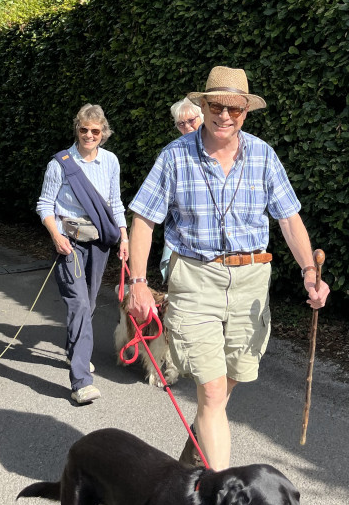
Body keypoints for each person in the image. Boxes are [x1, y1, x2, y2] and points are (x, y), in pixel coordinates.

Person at [127, 66, 330, 470]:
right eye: (217, 105)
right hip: (195, 279)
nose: (225, 115)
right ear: (203, 106)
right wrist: (138, 282)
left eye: (235, 109)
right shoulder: (174, 157)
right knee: (214, 391)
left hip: (251, 281)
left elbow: (289, 219)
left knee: (230, 380)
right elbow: (144, 220)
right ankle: (218, 496)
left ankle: (189, 465)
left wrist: (309, 270)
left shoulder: (263, 155)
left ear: (246, 113)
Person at [36, 104, 129, 405]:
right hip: (70, 243)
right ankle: (81, 380)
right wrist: (56, 235)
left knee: (87, 304)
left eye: (95, 131)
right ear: (76, 129)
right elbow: (44, 205)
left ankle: (73, 349)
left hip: (100, 242)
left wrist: (124, 237)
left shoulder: (111, 162)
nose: (89, 135)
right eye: (84, 129)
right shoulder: (60, 164)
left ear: (103, 133)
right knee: (77, 304)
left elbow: (115, 202)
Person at [158, 98, 205, 282]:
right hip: (183, 239)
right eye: (181, 124)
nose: (187, 127)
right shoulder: (172, 154)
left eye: (192, 121)